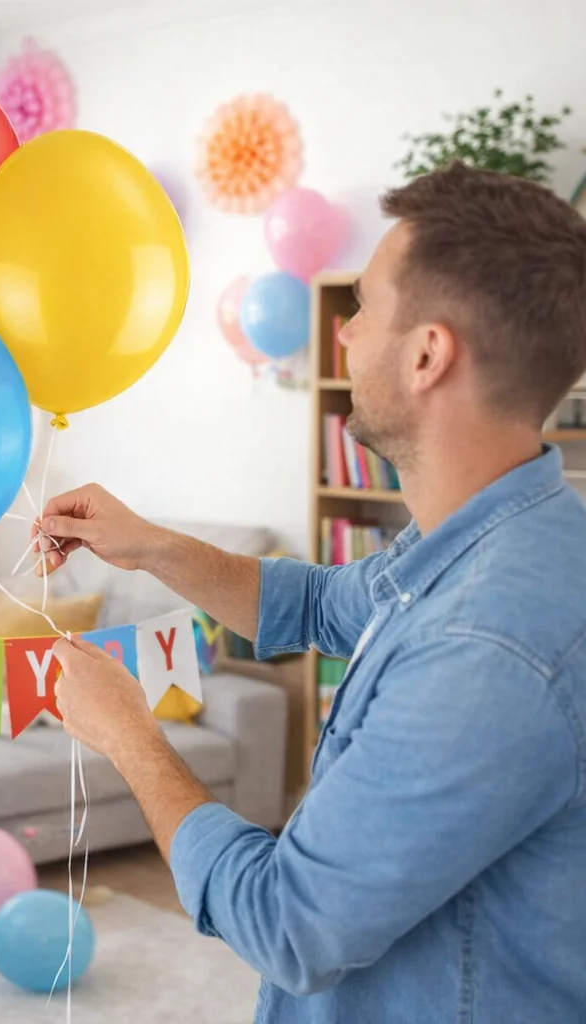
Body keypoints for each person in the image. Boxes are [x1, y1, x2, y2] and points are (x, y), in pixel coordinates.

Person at [42, 162, 586, 1023]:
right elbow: (322, 604)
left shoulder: (489, 647)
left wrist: (129, 735)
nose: (342, 333)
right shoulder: (510, 539)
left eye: (364, 308)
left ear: (427, 354)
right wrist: (150, 545)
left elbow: (287, 924)